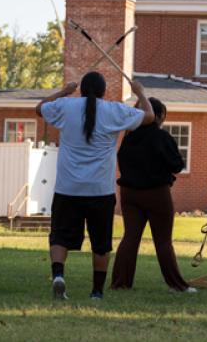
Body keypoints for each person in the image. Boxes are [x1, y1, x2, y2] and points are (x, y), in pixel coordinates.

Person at [36, 71, 154, 300]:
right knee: (101, 242)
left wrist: (64, 91)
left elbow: (39, 108)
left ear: (81, 90)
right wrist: (140, 92)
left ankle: (59, 275)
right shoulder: (115, 110)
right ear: (104, 91)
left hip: (67, 188)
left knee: (60, 236)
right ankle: (97, 292)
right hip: (100, 189)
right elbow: (149, 116)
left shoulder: (65, 106)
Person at [111, 97, 195, 293]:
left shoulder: (128, 137)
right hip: (156, 193)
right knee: (163, 241)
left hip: (129, 193)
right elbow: (176, 165)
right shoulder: (161, 137)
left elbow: (121, 162)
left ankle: (120, 283)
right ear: (158, 117)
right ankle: (176, 285)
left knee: (130, 238)